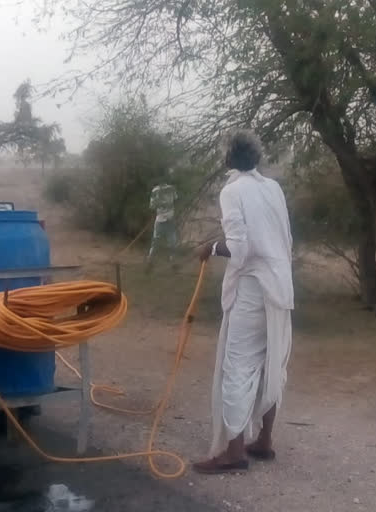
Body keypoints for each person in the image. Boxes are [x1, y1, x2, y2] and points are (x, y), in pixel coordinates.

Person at [193, 130, 294, 474]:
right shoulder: (272, 188)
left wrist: (211, 248)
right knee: (271, 363)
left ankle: (234, 452)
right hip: (281, 286)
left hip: (253, 288)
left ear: (229, 158)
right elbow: (283, 240)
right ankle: (263, 441)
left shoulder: (232, 190)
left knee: (236, 366)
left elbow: (240, 248)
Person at [147, 176, 178, 263]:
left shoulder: (155, 190)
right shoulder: (171, 188)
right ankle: (172, 259)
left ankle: (150, 259)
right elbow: (176, 200)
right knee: (172, 240)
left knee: (156, 241)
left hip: (162, 219)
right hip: (167, 218)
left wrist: (159, 204)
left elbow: (151, 206)